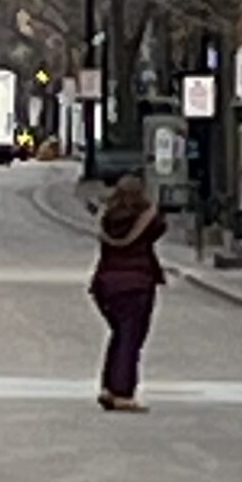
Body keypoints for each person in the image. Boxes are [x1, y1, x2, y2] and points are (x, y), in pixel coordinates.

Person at [89, 174, 166, 412]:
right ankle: (122, 392)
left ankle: (109, 387)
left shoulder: (107, 218)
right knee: (130, 339)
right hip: (137, 285)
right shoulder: (147, 219)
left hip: (105, 285)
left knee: (119, 335)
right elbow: (160, 228)